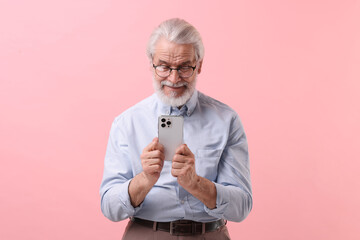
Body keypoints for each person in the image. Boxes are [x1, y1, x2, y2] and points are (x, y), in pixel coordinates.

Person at [100, 18, 252, 240]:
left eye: (184, 67)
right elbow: (109, 208)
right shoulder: (126, 123)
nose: (173, 78)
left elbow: (241, 207)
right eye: (163, 66)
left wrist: (196, 184)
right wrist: (144, 179)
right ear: (151, 63)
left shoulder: (226, 120)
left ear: (199, 65)